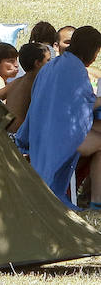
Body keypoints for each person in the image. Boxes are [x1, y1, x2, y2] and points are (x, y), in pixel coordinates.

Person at [16, 26, 101, 204]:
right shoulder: (75, 68)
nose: (95, 57)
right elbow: (83, 107)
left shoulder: (53, 65)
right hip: (59, 139)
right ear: (90, 49)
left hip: (40, 133)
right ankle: (95, 200)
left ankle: (89, 196)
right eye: (96, 52)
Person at [2, 42, 51, 132]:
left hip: (5, 133)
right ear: (37, 63)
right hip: (19, 136)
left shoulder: (16, 82)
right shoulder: (36, 83)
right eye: (48, 60)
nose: (51, 63)